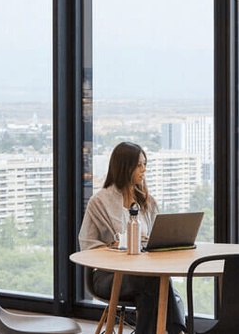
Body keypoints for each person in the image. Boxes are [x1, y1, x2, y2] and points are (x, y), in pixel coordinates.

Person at [79, 141, 186, 334]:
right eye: (139, 165)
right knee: (154, 283)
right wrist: (116, 244)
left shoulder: (147, 201)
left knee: (155, 283)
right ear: (124, 167)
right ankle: (176, 330)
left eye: (145, 164)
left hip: (143, 272)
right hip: (108, 276)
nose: (144, 170)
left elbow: (155, 239)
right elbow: (87, 245)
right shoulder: (99, 202)